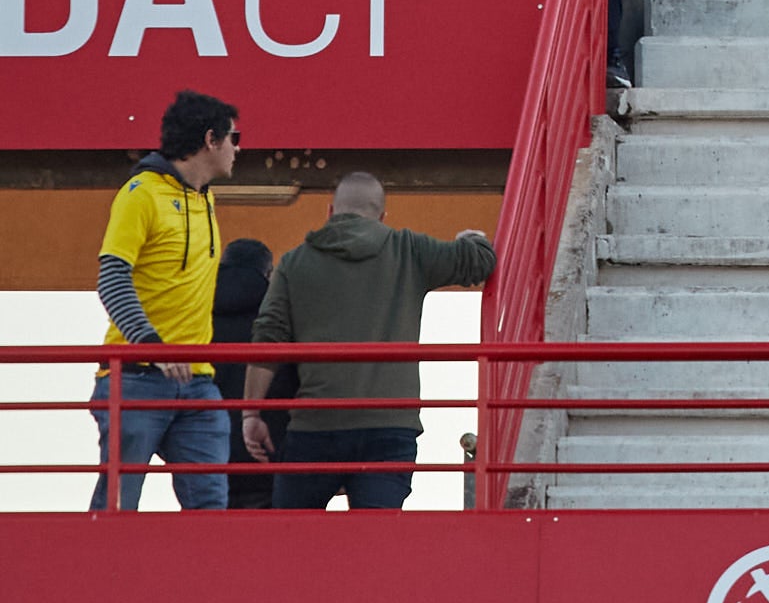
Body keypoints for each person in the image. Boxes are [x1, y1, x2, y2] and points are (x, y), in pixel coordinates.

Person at [238, 173, 493, 511]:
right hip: (389, 427)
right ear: (382, 216)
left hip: (316, 427)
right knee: (377, 544)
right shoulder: (408, 249)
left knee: (291, 539)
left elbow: (267, 338)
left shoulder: (294, 263)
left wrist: (251, 414)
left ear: (330, 212)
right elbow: (478, 261)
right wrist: (472, 239)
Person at [92, 91, 239, 511]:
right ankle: (99, 573)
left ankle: (204, 579)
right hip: (135, 378)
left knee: (211, 509)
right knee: (118, 506)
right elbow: (111, 277)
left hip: (198, 381)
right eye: (235, 137)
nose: (238, 148)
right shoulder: (140, 194)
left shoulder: (205, 197)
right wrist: (151, 345)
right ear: (211, 139)